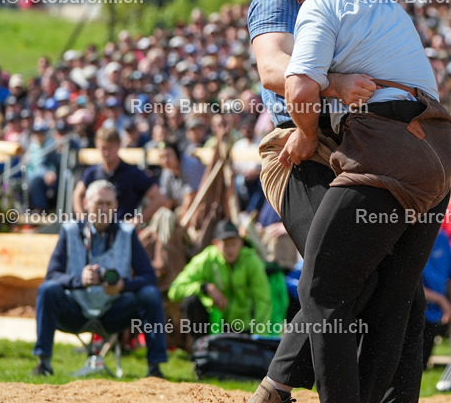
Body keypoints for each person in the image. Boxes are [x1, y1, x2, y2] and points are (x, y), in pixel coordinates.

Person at [238, 0, 443, 403]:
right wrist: (334, 82)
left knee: (401, 289)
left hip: (362, 146)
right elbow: (274, 70)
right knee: (338, 278)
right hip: (301, 147)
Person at [32, 181, 167, 378]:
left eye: (109, 204)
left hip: (115, 311)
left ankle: (155, 368)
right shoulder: (69, 230)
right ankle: (43, 363)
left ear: (116, 205)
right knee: (48, 290)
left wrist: (122, 286)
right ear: (86, 203)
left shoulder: (127, 232)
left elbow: (149, 277)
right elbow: (52, 275)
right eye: (98, 203)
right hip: (75, 310)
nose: (104, 209)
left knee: (150, 294)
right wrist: (80, 280)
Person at [167, 220, 274, 345]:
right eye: (225, 245)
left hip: (244, 327)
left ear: (241, 242)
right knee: (190, 302)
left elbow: (263, 300)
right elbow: (174, 290)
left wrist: (258, 338)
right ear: (215, 244)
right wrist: (206, 287)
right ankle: (200, 347)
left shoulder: (251, 261)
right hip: (214, 325)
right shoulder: (206, 259)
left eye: (234, 244)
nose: (230, 250)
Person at [72, 127, 161, 224]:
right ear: (97, 146)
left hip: (123, 229)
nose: (106, 153)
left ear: (118, 146)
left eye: (110, 148)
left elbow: (158, 198)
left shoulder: (132, 173)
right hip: (97, 229)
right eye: (103, 148)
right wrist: (83, 219)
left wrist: (138, 220)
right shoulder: (92, 172)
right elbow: (77, 194)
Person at [420, 229, 451, 368]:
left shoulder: (443, 238)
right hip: (416, 310)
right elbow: (407, 285)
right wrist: (441, 300)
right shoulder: (416, 236)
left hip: (437, 314)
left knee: (421, 364)